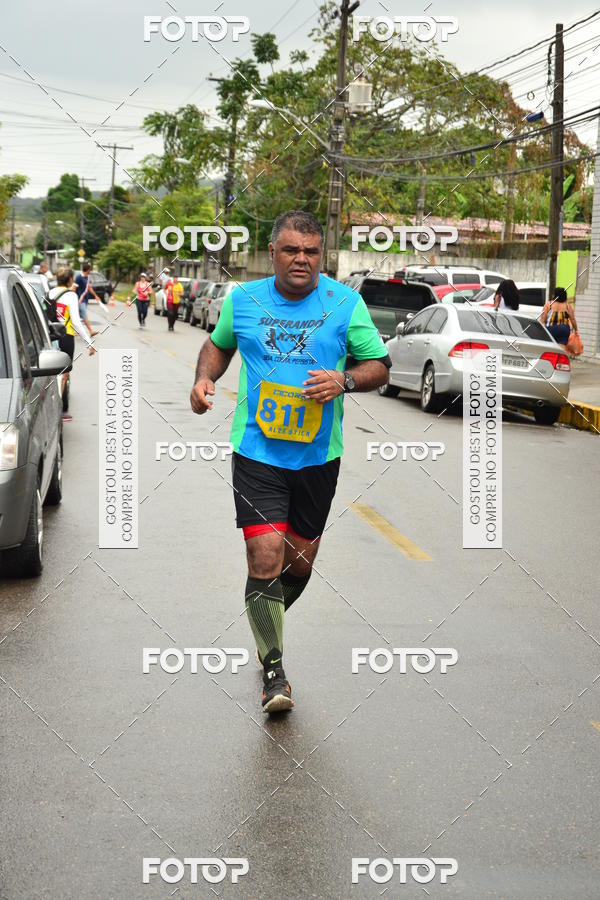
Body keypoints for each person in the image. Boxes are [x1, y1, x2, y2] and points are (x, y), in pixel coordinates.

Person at [190, 210, 390, 714]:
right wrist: (202, 380)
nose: (301, 258)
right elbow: (217, 347)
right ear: (273, 252)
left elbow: (379, 367)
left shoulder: (345, 304)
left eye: (311, 251)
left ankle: (265, 619)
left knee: (298, 564)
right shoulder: (245, 299)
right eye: (291, 250)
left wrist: (344, 381)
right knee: (264, 557)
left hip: (319, 455)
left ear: (321, 256)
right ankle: (274, 670)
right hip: (257, 449)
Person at [49, 267, 96, 420]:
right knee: (63, 374)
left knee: (51, 373)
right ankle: (58, 411)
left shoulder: (49, 292)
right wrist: (89, 342)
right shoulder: (71, 295)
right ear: (70, 280)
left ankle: (52, 406)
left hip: (50, 336)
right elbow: (76, 321)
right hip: (66, 336)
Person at [74, 263, 99, 337]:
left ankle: (74, 330)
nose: (90, 271)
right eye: (90, 269)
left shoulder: (87, 278)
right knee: (84, 315)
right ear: (87, 269)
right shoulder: (79, 277)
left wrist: (95, 296)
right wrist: (73, 298)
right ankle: (91, 331)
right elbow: (74, 288)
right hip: (80, 300)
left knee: (77, 316)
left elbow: (89, 288)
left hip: (85, 299)